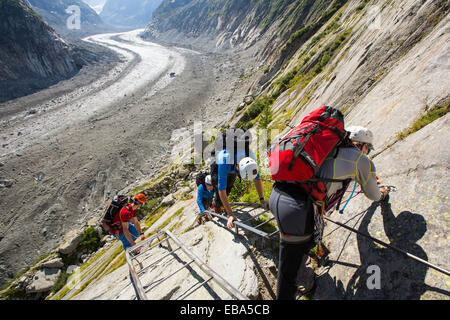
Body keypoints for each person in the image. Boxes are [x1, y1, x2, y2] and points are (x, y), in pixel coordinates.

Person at [269, 125, 390, 300]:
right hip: (297, 207)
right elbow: (373, 194)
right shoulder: (359, 159)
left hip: (279, 194)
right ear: (362, 145)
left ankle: (301, 268)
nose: (368, 151)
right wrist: (383, 195)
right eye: (368, 148)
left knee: (301, 244)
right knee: (288, 271)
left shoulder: (330, 146)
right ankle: (301, 277)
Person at [214, 148, 269, 229]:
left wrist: (262, 200)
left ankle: (224, 206)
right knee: (217, 186)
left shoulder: (251, 158)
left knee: (229, 188)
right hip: (218, 165)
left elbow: (257, 179)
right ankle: (216, 205)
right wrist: (231, 215)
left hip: (232, 166)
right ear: (237, 167)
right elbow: (221, 190)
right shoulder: (224, 161)